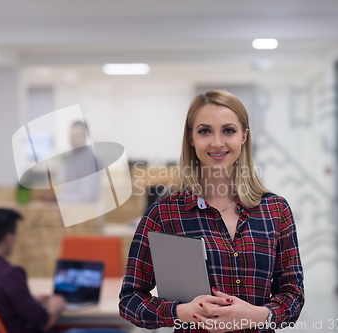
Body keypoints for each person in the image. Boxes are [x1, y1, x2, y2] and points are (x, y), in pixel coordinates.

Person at [118, 90, 305, 332]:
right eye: (205, 131)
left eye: (228, 130)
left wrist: (259, 315)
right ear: (191, 138)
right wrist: (181, 311)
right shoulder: (163, 215)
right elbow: (130, 300)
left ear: (244, 137)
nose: (217, 142)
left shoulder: (276, 211)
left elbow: (294, 296)